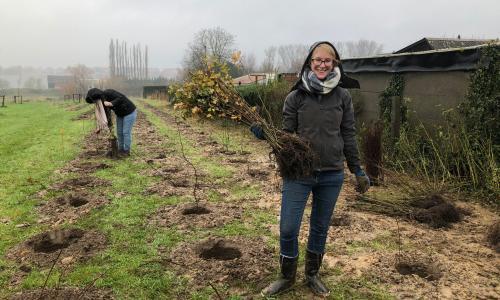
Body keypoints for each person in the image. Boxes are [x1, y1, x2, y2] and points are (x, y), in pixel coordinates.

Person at [250, 41, 370, 297]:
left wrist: (357, 169)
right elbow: (286, 136)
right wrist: (267, 135)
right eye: (318, 60)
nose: (323, 64)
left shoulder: (343, 96)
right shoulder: (296, 97)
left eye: (328, 60)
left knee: (319, 227)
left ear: (335, 63)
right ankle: (286, 276)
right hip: (299, 173)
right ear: (309, 63)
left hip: (332, 174)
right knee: (288, 228)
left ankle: (312, 274)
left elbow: (348, 134)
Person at [85, 88, 137, 156]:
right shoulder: (102, 102)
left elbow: (121, 97)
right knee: (119, 132)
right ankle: (121, 150)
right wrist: (108, 128)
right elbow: (107, 115)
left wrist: (111, 103)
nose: (96, 102)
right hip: (120, 114)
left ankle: (127, 151)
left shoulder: (108, 92)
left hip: (129, 112)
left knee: (126, 132)